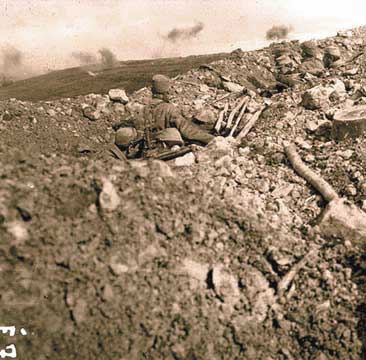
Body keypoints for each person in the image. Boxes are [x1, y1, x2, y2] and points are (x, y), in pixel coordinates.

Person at [115, 74, 214, 155]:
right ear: (165, 92)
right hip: (165, 152)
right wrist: (213, 139)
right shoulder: (169, 109)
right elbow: (188, 132)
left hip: (146, 153)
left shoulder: (142, 110)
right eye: (168, 92)